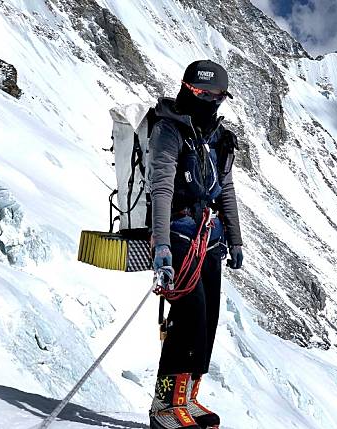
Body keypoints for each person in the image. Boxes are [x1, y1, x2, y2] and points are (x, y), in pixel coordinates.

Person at [148, 60, 243, 429]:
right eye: (203, 93)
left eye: (216, 95)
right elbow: (161, 186)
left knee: (208, 323)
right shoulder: (169, 130)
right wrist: (161, 246)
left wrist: (234, 239)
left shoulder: (220, 138)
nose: (210, 100)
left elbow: (228, 190)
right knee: (188, 320)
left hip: (210, 239)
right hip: (179, 235)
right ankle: (164, 407)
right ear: (187, 89)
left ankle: (188, 398)